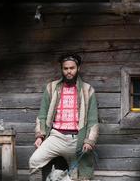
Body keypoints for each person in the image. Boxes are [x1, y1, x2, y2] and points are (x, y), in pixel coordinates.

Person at [28, 53, 99, 181]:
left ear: (78, 68)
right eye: (65, 68)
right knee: (34, 161)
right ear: (62, 69)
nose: (69, 72)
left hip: (77, 139)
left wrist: (89, 141)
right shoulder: (51, 87)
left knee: (78, 175)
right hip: (56, 137)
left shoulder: (88, 90)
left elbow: (93, 120)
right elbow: (42, 114)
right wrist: (40, 136)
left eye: (72, 68)